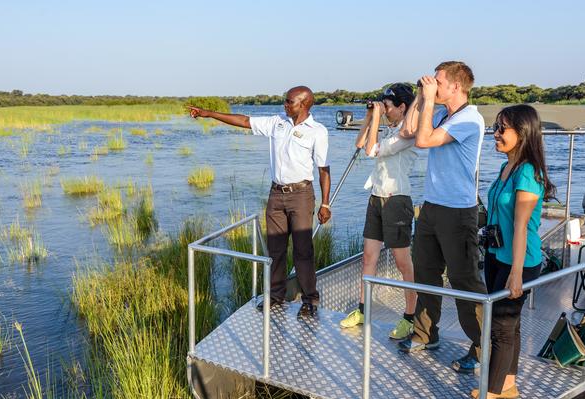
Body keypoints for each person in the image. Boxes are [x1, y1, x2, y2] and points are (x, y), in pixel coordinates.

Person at [187, 86, 331, 317]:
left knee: (303, 250)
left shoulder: (318, 131)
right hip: (276, 194)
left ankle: (310, 300)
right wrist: (209, 113)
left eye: (289, 102)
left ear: (303, 104)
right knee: (275, 249)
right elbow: (244, 120)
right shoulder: (277, 123)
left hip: (301, 195)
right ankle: (275, 297)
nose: (284, 105)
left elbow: (324, 169)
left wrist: (325, 204)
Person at [396, 61, 488, 374]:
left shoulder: (469, 120)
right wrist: (422, 99)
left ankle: (481, 349)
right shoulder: (439, 113)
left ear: (455, 87)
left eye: (438, 82)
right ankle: (425, 334)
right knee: (426, 273)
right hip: (431, 207)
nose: (433, 84)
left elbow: (423, 141)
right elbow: (408, 130)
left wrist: (428, 99)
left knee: (464, 282)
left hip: (459, 211)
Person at [471, 105, 556, 399]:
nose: (495, 134)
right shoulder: (506, 167)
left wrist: (517, 273)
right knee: (510, 325)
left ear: (522, 134)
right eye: (495, 127)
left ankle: (491, 392)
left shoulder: (528, 173)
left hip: (519, 260)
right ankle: (508, 385)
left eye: (501, 129)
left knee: (501, 327)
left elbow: (520, 227)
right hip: (497, 255)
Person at [339, 83, 420, 340]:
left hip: (397, 200)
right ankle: (363, 310)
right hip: (376, 197)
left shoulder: (409, 133)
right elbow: (361, 142)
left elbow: (373, 150)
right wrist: (369, 118)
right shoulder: (389, 128)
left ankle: (410, 316)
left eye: (387, 106)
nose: (384, 110)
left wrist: (376, 119)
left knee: (402, 262)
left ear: (402, 107)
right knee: (368, 258)